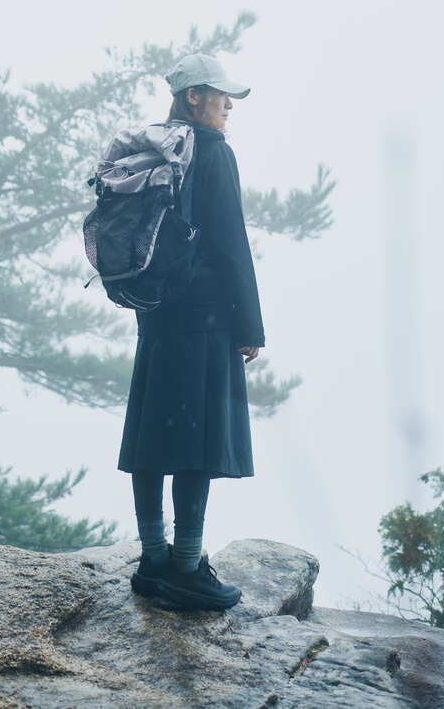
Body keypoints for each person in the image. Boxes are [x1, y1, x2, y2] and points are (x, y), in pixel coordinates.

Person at [117, 52, 265, 611]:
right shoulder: (211, 151)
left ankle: (152, 561)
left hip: (156, 315)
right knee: (195, 445)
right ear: (193, 96)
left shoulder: (156, 151)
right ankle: (185, 568)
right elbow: (231, 241)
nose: (229, 105)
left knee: (152, 437)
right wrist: (249, 325)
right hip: (204, 319)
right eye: (220, 95)